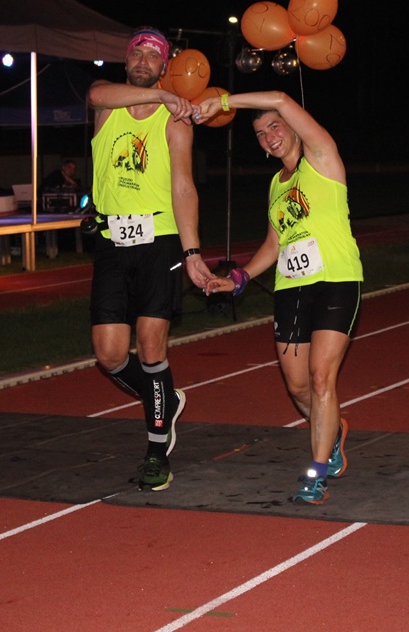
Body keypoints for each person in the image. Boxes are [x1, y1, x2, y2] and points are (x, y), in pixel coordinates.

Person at [195, 90, 363, 505]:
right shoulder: (276, 184)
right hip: (291, 288)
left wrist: (225, 103)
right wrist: (238, 277)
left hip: (337, 281)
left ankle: (316, 474)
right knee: (299, 386)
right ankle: (332, 430)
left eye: (275, 126)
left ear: (294, 127)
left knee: (322, 378)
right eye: (260, 134)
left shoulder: (322, 157)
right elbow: (275, 243)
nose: (269, 137)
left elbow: (282, 98)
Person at [86, 26, 213, 491]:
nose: (143, 59)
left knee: (151, 343)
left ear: (164, 65)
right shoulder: (107, 105)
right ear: (127, 61)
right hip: (111, 242)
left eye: (153, 55)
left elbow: (183, 186)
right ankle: (163, 400)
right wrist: (163, 94)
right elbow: (95, 92)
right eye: (137, 52)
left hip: (159, 239)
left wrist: (192, 251)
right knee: (109, 353)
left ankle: (157, 451)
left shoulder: (174, 120)